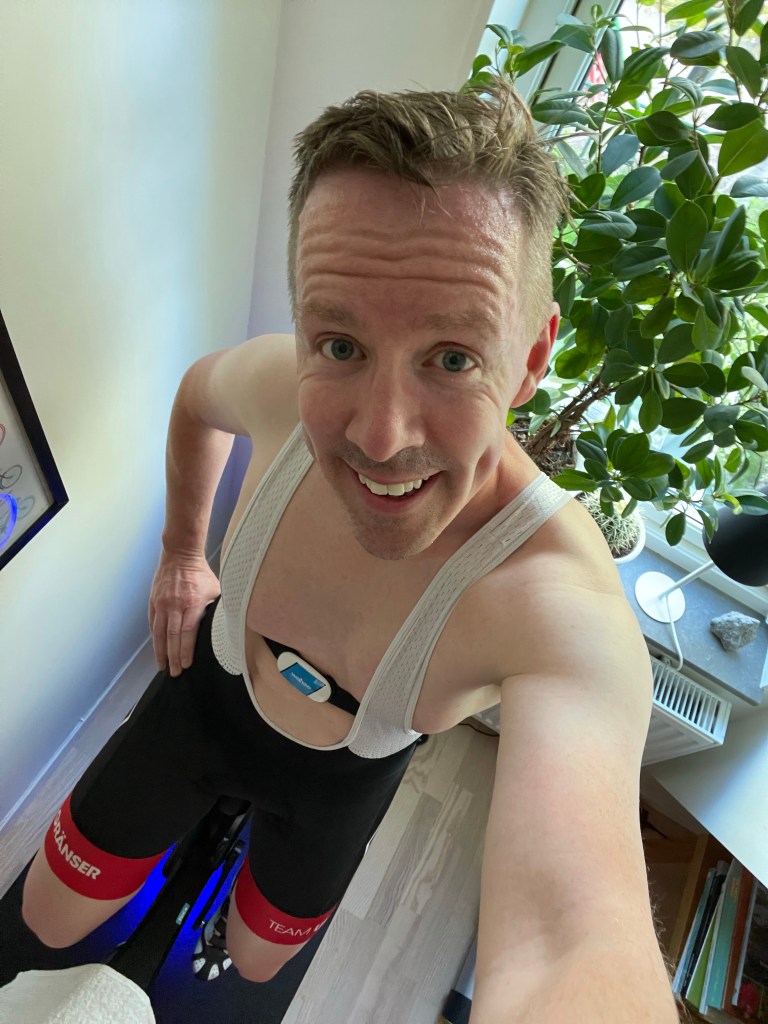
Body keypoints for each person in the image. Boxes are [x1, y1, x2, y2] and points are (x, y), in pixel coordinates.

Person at [21, 80, 679, 1020]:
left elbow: (567, 939)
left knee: (253, 965)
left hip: (337, 787)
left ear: (533, 359)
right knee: (45, 920)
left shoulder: (556, 602)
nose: (379, 436)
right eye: (340, 345)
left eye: (453, 358)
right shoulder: (275, 393)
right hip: (204, 703)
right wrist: (181, 554)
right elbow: (197, 398)